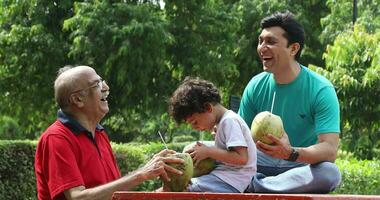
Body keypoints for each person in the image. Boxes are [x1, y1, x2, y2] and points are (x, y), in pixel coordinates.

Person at [34, 65, 184, 200]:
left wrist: (165, 191)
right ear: (78, 99)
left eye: (102, 81)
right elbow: (77, 198)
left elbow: (112, 195)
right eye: (96, 84)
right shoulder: (57, 138)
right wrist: (141, 174)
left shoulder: (99, 133)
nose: (105, 87)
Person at [238, 11, 341, 193]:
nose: (262, 47)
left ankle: (254, 185)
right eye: (260, 41)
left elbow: (330, 150)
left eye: (270, 41)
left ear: (293, 48)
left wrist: (290, 152)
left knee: (329, 173)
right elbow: (240, 139)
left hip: (299, 164)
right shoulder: (255, 85)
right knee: (200, 150)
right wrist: (225, 133)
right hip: (260, 161)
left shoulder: (321, 89)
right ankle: (266, 185)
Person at [168, 77, 257, 193]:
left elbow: (242, 158)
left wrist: (208, 151)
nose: (194, 127)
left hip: (232, 181)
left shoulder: (229, 121)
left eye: (194, 122)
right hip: (225, 178)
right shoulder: (223, 123)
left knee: (186, 189)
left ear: (208, 108)